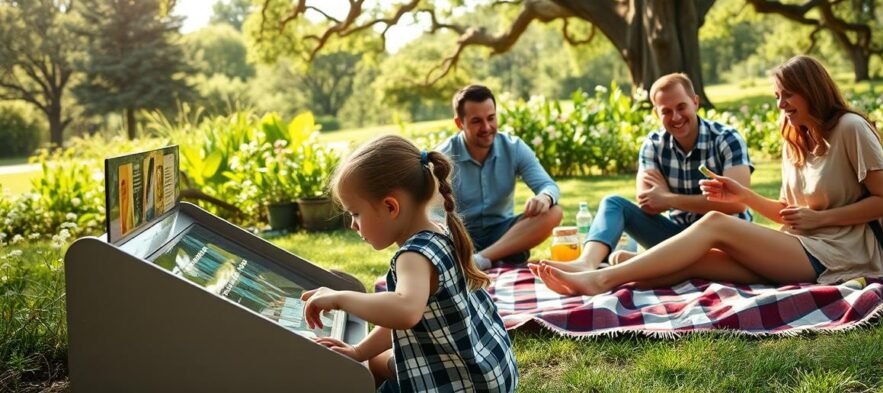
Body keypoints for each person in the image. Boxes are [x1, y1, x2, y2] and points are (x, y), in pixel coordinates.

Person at [532, 55, 883, 295]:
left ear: (813, 91)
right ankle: (611, 278)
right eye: (777, 96)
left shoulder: (851, 128)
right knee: (694, 262)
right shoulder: (796, 138)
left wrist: (821, 218)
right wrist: (742, 196)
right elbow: (791, 213)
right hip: (801, 245)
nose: (781, 105)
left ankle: (599, 278)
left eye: (788, 95)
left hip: (842, 253)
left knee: (715, 223)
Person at [302, 135, 518, 393]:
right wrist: (359, 351)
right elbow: (400, 313)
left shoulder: (413, 256)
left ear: (391, 207)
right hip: (489, 373)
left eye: (356, 213)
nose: (353, 225)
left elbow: (405, 311)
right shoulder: (441, 231)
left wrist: (340, 298)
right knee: (375, 362)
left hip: (461, 383)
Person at [548, 72, 754, 272]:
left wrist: (669, 199)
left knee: (715, 241)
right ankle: (587, 262)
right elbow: (648, 203)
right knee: (613, 203)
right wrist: (667, 200)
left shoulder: (727, 139)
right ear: (656, 113)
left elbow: (738, 202)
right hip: (675, 238)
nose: (676, 117)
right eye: (666, 111)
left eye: (681, 107)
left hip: (724, 240)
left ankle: (648, 263)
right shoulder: (653, 144)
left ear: (695, 102)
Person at [437, 84, 563, 270]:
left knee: (554, 212)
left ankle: (480, 260)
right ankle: (490, 257)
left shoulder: (514, 147)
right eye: (476, 121)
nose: (486, 127)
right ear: (459, 123)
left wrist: (544, 197)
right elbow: (429, 213)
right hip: (460, 236)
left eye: (491, 118)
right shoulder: (443, 157)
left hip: (504, 234)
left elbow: (548, 185)